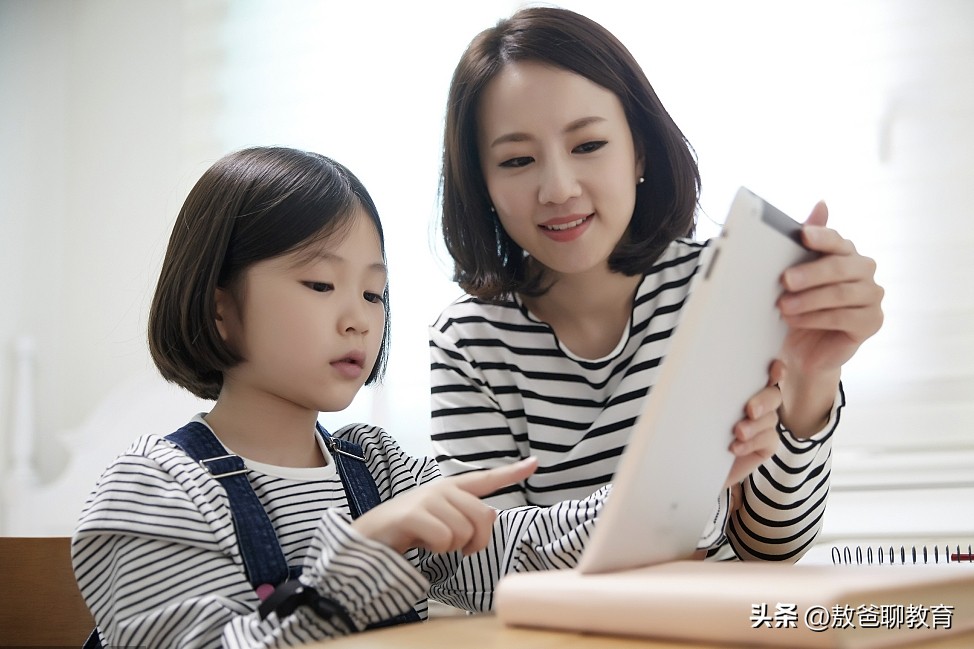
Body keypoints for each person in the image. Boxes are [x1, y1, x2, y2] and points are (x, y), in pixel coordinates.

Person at [72, 146, 613, 648]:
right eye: (320, 285)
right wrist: (365, 547)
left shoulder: (378, 468)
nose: (359, 319)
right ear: (221, 311)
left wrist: (651, 502)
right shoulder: (157, 491)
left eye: (373, 293)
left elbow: (514, 551)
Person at [430, 7, 884, 561]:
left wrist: (812, 379)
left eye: (588, 146)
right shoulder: (468, 340)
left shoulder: (719, 291)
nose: (557, 187)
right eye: (518, 159)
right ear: (483, 185)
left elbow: (771, 550)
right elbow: (479, 565)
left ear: (639, 151)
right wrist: (670, 488)